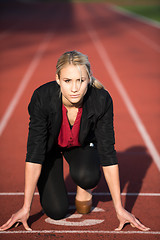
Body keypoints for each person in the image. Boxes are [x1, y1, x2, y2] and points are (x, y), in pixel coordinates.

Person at [0, 50, 150, 232]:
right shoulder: (42, 98)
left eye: (80, 80)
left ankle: (83, 186)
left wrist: (119, 209)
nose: (74, 88)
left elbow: (108, 153)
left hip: (81, 144)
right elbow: (35, 153)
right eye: (67, 81)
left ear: (89, 79)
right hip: (50, 150)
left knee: (88, 176)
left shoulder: (101, 100)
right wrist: (26, 208)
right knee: (56, 210)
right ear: (57, 79)